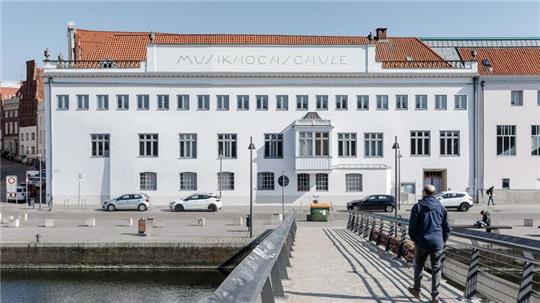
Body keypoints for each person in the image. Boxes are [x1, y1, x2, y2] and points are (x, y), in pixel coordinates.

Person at [408, 184, 451, 303]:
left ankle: (417, 290)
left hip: (422, 242)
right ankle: (435, 296)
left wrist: (415, 239)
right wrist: (442, 241)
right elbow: (447, 228)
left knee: (419, 266)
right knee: (436, 269)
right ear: (434, 193)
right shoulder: (441, 208)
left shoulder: (417, 207)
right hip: (437, 243)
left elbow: (412, 227)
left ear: (424, 193)